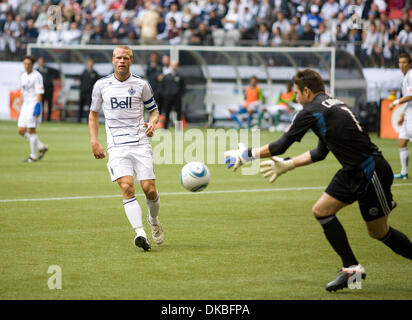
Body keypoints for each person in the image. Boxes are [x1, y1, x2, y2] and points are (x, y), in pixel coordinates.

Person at [224, 69, 412, 292]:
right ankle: (352, 269)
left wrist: (247, 154)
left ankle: (382, 219)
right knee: (321, 210)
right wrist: (287, 165)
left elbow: (280, 145)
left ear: (306, 91)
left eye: (296, 92)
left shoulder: (311, 111)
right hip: (352, 171)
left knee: (378, 232)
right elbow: (321, 152)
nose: (295, 97)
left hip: (371, 172)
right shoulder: (332, 104)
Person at [88, 46, 163, 252]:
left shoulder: (141, 84)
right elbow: (93, 115)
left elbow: (154, 111)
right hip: (117, 147)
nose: (122, 61)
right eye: (119, 58)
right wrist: (94, 141)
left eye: (126, 58)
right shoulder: (101, 85)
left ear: (131, 61)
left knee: (149, 189)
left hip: (140, 144)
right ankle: (140, 233)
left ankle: (153, 220)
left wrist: (153, 123)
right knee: (127, 186)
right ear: (113, 60)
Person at [18, 55, 48, 162]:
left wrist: (38, 106)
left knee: (31, 130)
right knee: (21, 130)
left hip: (33, 105)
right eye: (25, 64)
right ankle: (41, 146)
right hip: (25, 106)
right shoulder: (23, 76)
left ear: (32, 65)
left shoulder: (37, 76)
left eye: (28, 64)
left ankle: (33, 156)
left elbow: (39, 92)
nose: (26, 66)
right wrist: (20, 106)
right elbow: (22, 91)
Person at [389, 52, 412, 180]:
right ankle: (404, 173)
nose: (402, 65)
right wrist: (403, 114)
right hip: (408, 115)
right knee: (402, 141)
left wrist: (395, 102)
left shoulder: (411, 75)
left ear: (409, 64)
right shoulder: (406, 77)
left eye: (404, 62)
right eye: (400, 62)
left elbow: (410, 96)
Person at [160, 60, 185, 130]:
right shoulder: (166, 76)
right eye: (173, 65)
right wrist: (164, 94)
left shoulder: (180, 76)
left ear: (177, 66)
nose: (174, 67)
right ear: (171, 66)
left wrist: (180, 94)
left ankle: (179, 128)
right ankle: (165, 127)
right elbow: (162, 86)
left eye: (175, 65)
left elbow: (183, 87)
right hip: (167, 98)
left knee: (178, 113)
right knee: (167, 112)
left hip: (177, 98)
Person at [36, 57, 60, 121]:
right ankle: (42, 117)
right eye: (39, 61)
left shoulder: (48, 69)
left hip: (49, 89)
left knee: (49, 103)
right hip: (41, 90)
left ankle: (49, 118)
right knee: (41, 103)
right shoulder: (36, 70)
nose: (40, 63)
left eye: (41, 61)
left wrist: (51, 79)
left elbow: (57, 73)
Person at [79, 58, 100, 123]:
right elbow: (81, 80)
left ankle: (88, 120)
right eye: (89, 63)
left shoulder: (95, 73)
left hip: (90, 92)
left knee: (90, 107)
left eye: (91, 63)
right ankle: (78, 119)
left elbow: (97, 82)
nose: (90, 64)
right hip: (83, 92)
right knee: (80, 106)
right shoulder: (84, 72)